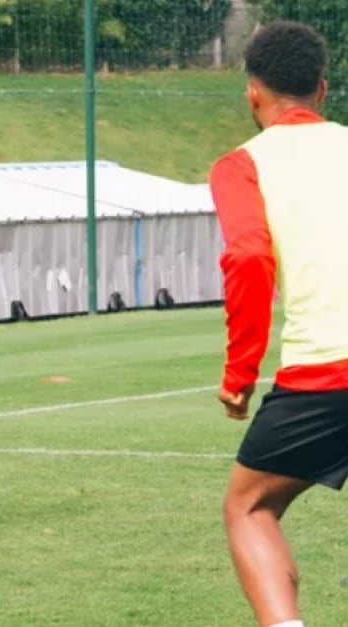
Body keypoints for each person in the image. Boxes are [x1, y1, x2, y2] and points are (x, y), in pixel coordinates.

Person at [210, 20, 348, 627]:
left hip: (325, 372)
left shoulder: (243, 165)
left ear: (252, 92)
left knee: (250, 507)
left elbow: (246, 259)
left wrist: (240, 373)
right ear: (322, 89)